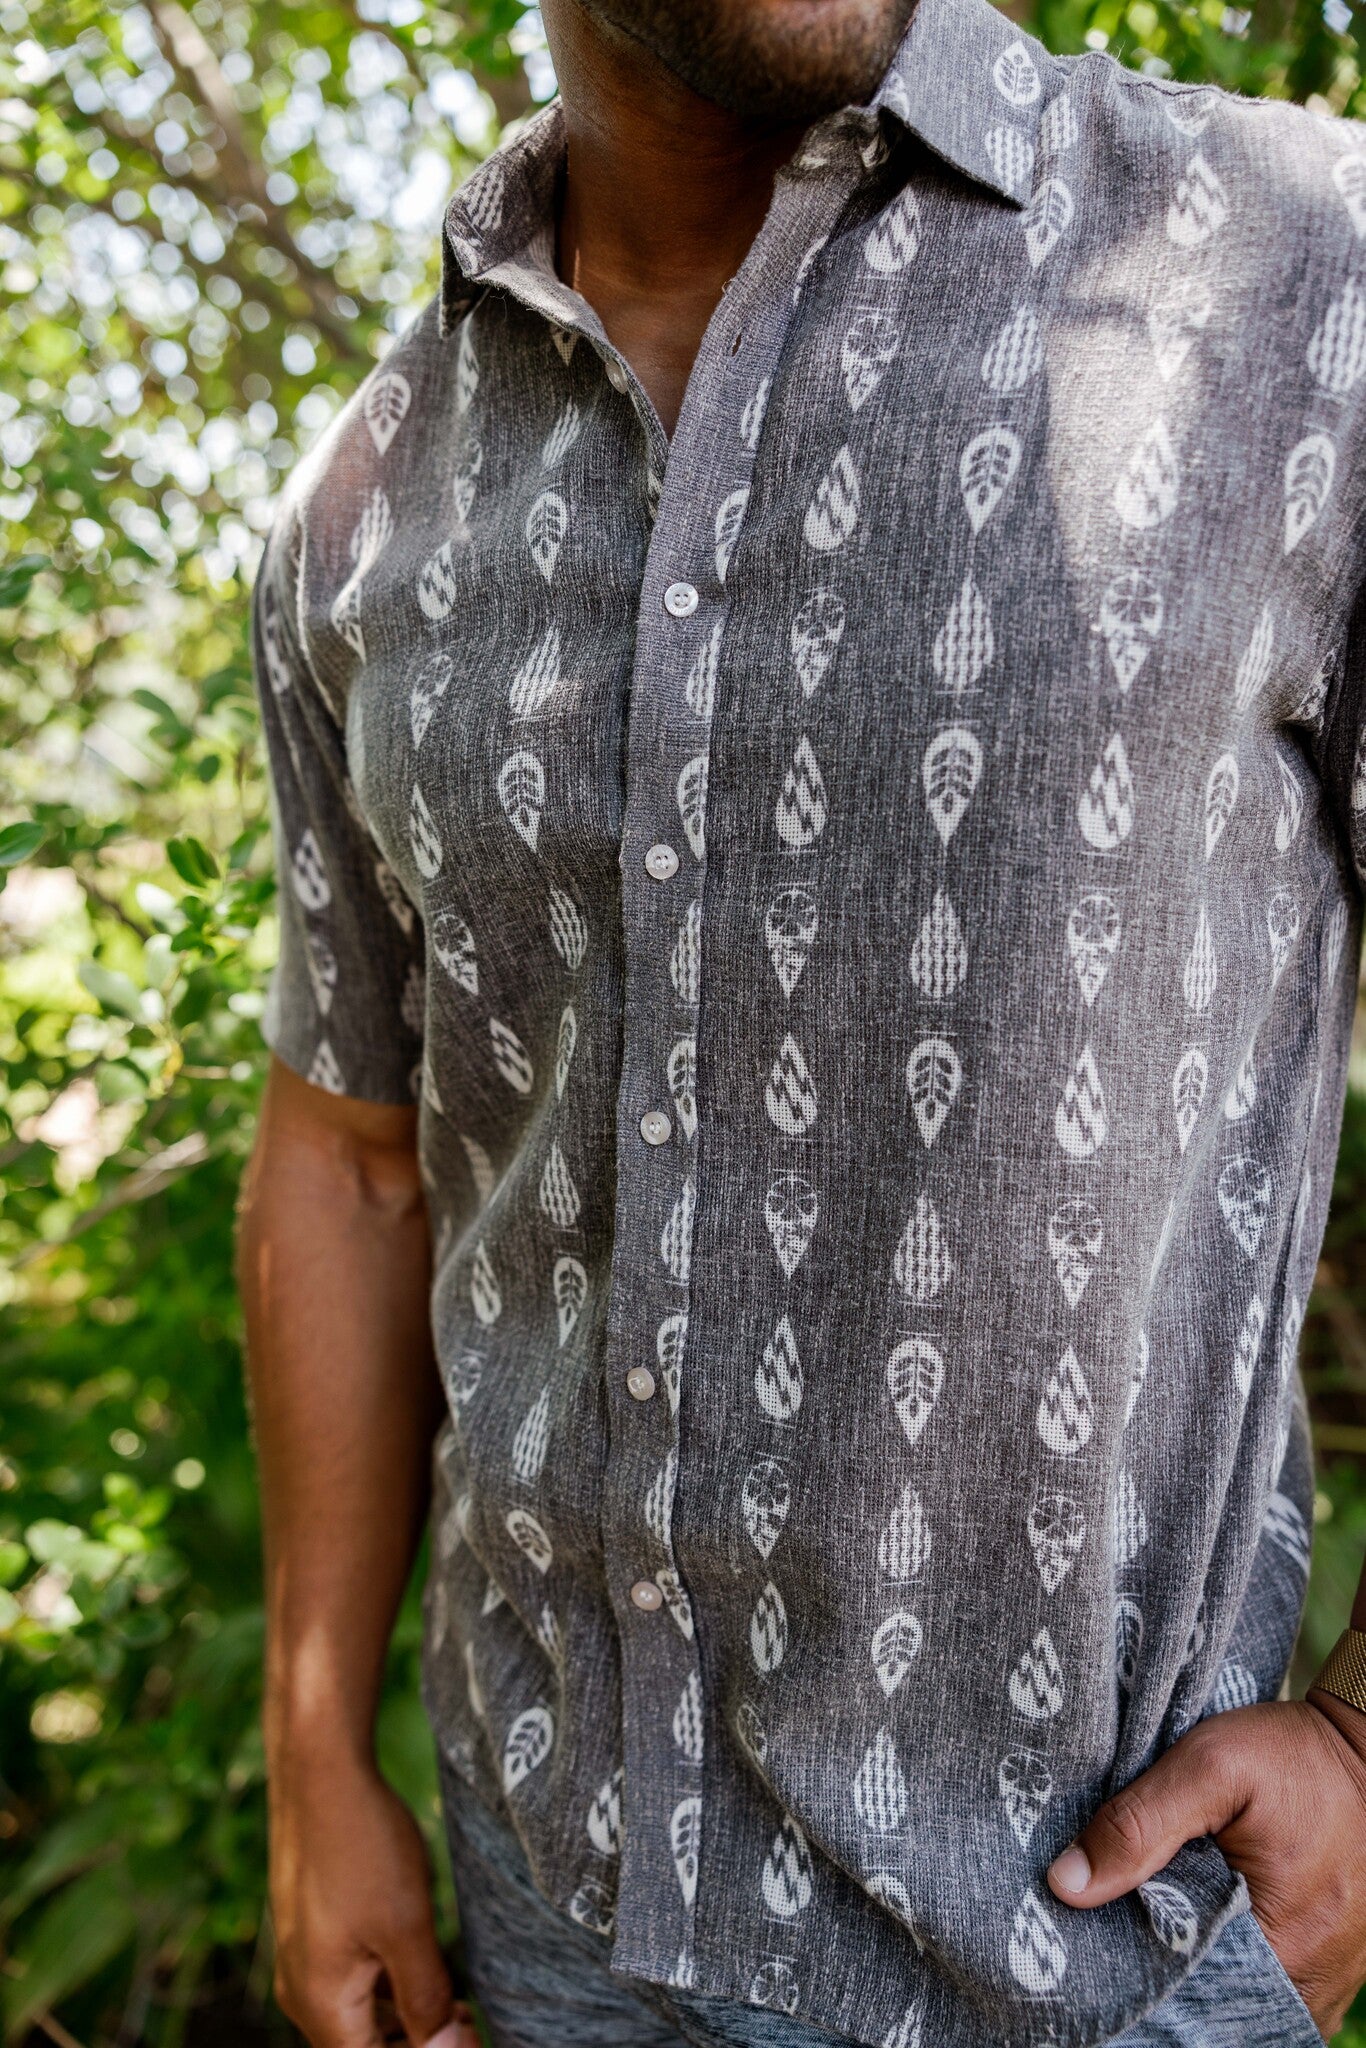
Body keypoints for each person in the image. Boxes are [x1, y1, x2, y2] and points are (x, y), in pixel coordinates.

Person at [236, 0, 1366, 2041]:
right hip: (544, 1925)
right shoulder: (365, 498)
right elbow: (348, 1152)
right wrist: (312, 1742)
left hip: (1103, 1957)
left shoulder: (1300, 278)